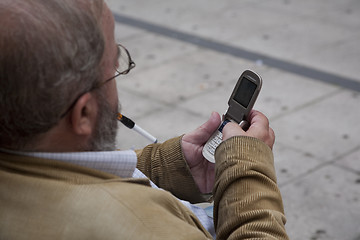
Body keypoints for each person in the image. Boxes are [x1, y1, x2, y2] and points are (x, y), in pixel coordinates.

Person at [0, 0, 289, 239]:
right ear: (83, 114)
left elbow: (63, 174)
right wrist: (249, 172)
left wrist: (171, 166)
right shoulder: (146, 228)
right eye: (115, 66)